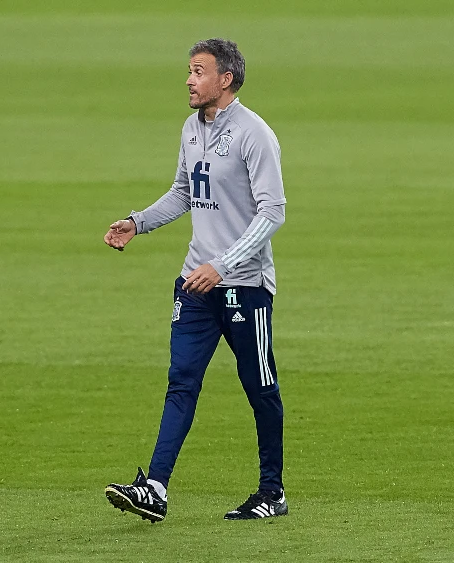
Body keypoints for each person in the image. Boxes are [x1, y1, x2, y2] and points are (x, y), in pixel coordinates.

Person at [103, 38, 288, 522]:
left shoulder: (255, 134)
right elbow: (185, 191)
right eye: (189, 71)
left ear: (225, 79)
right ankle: (156, 490)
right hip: (194, 284)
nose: (189, 79)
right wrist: (137, 222)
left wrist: (223, 265)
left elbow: (273, 212)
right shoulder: (191, 127)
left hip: (244, 286)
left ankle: (273, 492)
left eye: (199, 71)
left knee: (260, 388)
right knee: (180, 382)